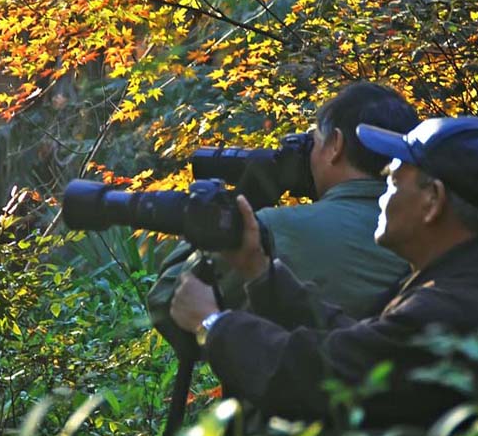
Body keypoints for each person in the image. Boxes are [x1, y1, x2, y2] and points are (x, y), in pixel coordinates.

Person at [170, 116, 478, 436]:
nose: (381, 195)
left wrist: (212, 324)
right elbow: (360, 349)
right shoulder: (470, 283)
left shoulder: (445, 308)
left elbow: (324, 377)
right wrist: (260, 273)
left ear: (433, 201)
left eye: (392, 182)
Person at [148, 82, 419, 362]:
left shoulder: (271, 231)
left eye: (313, 142)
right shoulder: (433, 229)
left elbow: (168, 301)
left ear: (336, 145)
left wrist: (242, 204)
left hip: (294, 400)